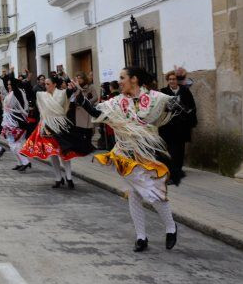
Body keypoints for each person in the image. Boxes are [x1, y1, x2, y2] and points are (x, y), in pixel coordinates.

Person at [72, 67, 180, 252]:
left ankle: (168, 228)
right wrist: (81, 99)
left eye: (122, 78)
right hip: (125, 154)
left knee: (146, 192)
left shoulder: (154, 97)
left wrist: (175, 103)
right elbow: (98, 113)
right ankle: (141, 236)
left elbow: (173, 105)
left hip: (148, 154)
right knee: (140, 192)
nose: (120, 81)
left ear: (134, 79)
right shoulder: (117, 102)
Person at [21, 73, 93, 189]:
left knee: (65, 152)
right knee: (53, 154)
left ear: (54, 84)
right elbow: (29, 92)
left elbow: (72, 91)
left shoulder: (62, 93)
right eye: (45, 84)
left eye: (48, 84)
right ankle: (58, 178)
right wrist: (26, 81)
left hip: (61, 126)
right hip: (47, 127)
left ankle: (69, 178)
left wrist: (70, 82)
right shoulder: (41, 95)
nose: (46, 86)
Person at [159, 70, 197, 185]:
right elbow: (160, 108)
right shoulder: (163, 92)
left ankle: (178, 169)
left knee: (180, 149)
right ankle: (172, 172)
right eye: (170, 79)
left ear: (177, 80)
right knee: (171, 150)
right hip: (168, 127)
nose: (172, 81)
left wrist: (187, 114)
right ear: (167, 80)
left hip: (182, 126)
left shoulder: (185, 91)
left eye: (174, 79)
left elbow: (192, 106)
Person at [0, 71, 34, 172]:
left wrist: (10, 75)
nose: (8, 86)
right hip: (10, 122)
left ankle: (26, 162)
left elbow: (14, 87)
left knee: (16, 144)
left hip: (18, 122)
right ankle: (20, 163)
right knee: (11, 144)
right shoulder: (11, 93)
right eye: (8, 85)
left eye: (10, 84)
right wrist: (6, 78)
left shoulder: (18, 93)